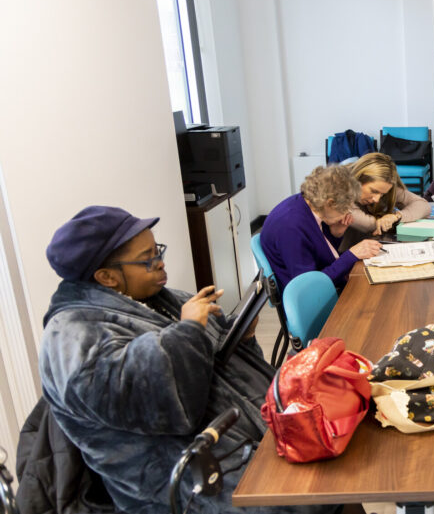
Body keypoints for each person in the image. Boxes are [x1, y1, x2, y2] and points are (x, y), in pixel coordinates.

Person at [37, 206, 333, 514]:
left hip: (240, 433)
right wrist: (189, 330)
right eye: (148, 258)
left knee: (335, 453)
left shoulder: (156, 297)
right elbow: (163, 405)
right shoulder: (72, 339)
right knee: (309, 495)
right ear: (107, 277)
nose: (161, 263)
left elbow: (214, 360)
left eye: (158, 250)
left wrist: (241, 336)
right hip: (187, 478)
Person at [260, 164, 382, 292]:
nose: (347, 213)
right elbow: (310, 286)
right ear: (330, 203)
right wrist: (351, 255)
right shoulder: (291, 227)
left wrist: (336, 235)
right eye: (346, 208)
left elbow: (320, 254)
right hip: (313, 300)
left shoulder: (310, 204)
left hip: (325, 285)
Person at [335, 152, 431, 249]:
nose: (377, 199)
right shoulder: (337, 190)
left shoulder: (382, 186)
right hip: (344, 256)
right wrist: (388, 221)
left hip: (371, 250)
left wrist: (396, 216)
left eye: (383, 194)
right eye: (374, 191)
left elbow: (423, 205)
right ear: (358, 180)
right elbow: (368, 225)